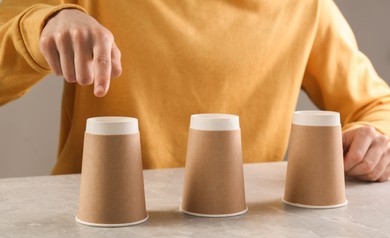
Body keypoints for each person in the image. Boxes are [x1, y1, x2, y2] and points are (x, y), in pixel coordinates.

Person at [1, 0, 389, 181]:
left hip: (239, 232)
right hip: (97, 223)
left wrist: (377, 139)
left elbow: (376, 104)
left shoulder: (305, 7)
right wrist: (46, 22)